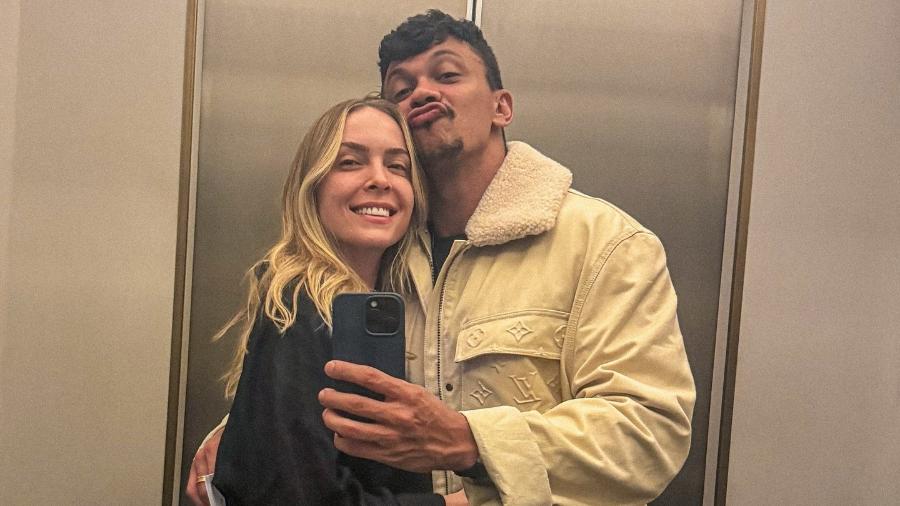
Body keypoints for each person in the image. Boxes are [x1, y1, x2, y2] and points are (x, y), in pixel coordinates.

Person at [191, 10, 695, 506]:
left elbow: (649, 434)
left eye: (448, 75)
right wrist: (246, 430)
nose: (423, 93)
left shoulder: (603, 244)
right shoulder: (377, 246)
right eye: (401, 88)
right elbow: (314, 383)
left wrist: (470, 441)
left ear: (501, 106)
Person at [197, 96, 451, 505]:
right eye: (350, 162)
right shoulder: (299, 307)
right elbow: (295, 495)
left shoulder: (386, 308)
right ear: (313, 186)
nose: (380, 179)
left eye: (397, 166)